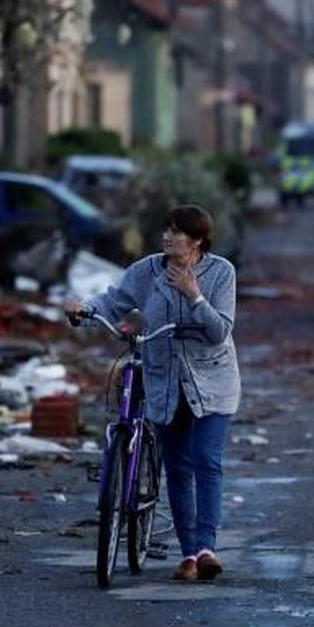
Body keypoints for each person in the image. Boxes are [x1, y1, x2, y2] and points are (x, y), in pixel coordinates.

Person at [62, 205, 240, 582]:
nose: (168, 237)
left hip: (212, 380)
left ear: (197, 241)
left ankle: (207, 548)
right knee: (176, 467)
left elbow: (219, 331)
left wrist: (194, 295)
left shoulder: (221, 273)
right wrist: (85, 309)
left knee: (206, 460)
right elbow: (114, 300)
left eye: (177, 232)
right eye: (167, 230)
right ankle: (189, 555)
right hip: (164, 378)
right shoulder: (147, 271)